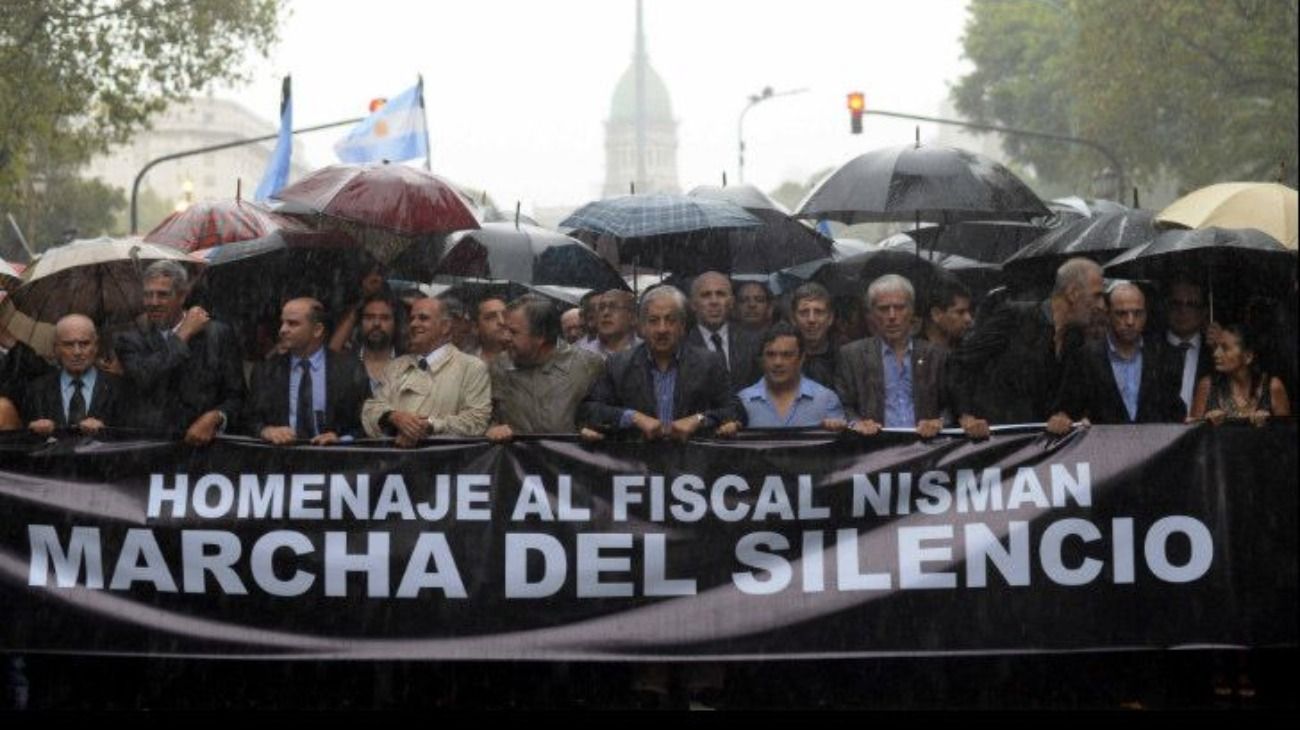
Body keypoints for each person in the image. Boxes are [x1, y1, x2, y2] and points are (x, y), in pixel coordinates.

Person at [949, 257, 1105, 438]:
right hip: (995, 442)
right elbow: (959, 362)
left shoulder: (1075, 340)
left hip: (1041, 447)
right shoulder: (1015, 317)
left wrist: (1065, 415)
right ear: (1073, 293)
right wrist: (966, 416)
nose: (1101, 306)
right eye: (1097, 296)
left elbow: (1069, 397)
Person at [578, 286, 744, 441]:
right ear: (642, 327)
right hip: (637, 459)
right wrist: (633, 417)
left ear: (682, 326)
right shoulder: (618, 364)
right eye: (653, 320)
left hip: (692, 459)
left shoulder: (709, 363)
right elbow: (588, 410)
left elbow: (736, 410)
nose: (662, 329)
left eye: (670, 320)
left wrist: (700, 419)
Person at [114, 260, 245, 444]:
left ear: (182, 296)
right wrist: (183, 334)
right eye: (148, 295)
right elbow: (144, 376)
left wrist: (216, 416)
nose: (153, 302)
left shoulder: (217, 334)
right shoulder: (129, 339)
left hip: (206, 449)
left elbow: (237, 396)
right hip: (151, 448)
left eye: (162, 295)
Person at [362, 296, 491, 445]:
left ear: (445, 327)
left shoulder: (471, 368)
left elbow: (477, 421)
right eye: (412, 319)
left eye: (423, 318)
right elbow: (371, 410)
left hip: (445, 459)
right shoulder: (395, 367)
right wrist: (393, 417)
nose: (414, 324)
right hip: (395, 457)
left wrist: (430, 425)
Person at [1054, 282, 1185, 426]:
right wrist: (1063, 420)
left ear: (1146, 315)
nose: (1130, 321)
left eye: (1137, 313)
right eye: (1121, 314)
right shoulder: (1084, 358)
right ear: (1108, 314)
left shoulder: (1165, 356)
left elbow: (1174, 412)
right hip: (1104, 439)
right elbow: (1067, 411)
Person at [244, 298, 371, 445]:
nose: (283, 330)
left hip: (335, 456)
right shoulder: (266, 371)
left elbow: (368, 422)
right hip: (281, 455)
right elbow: (249, 419)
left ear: (317, 330)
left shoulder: (349, 370)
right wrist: (266, 431)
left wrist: (341, 439)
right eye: (282, 323)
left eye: (292, 323)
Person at [834, 275, 948, 438]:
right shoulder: (851, 355)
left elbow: (951, 405)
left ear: (912, 310)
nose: (892, 316)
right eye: (883, 309)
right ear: (872, 314)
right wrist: (856, 423)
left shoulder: (936, 355)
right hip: (875, 447)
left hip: (926, 446)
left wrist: (939, 422)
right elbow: (843, 405)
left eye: (900, 307)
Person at [486, 295, 605, 442]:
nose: (505, 337)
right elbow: (487, 417)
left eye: (513, 332)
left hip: (569, 455)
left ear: (540, 335)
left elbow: (604, 416)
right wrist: (493, 428)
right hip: (516, 456)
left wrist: (593, 428)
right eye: (505, 330)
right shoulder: (499, 366)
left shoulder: (588, 366)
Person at [23, 314, 126, 436]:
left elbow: (132, 437)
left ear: (96, 346)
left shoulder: (121, 388)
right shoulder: (36, 390)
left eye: (84, 344)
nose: (77, 352)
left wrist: (106, 431)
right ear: (56, 348)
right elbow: (24, 441)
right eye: (68, 344)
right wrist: (33, 432)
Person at [738, 322, 846, 429]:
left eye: (787, 355)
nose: (778, 362)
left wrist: (835, 427)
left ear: (801, 359)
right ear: (762, 358)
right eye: (770, 354)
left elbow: (841, 437)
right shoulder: (743, 401)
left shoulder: (825, 400)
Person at [1188, 322, 1290, 427]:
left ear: (1248, 356)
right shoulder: (1207, 385)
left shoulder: (1272, 387)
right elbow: (1191, 432)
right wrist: (1206, 422)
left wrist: (1269, 424)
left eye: (1225, 348)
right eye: (1216, 347)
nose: (1216, 353)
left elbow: (1286, 433)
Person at [685, 271, 761, 391]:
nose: (714, 301)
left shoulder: (752, 343)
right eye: (706, 295)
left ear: (731, 302)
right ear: (693, 304)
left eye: (720, 294)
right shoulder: (682, 345)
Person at [1163, 279, 1214, 419]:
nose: (1182, 311)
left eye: (1191, 304)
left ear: (1204, 312)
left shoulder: (1213, 352)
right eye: (1176, 303)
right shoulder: (1150, 348)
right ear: (1166, 307)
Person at [789, 282, 838, 388]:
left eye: (819, 312)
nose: (811, 319)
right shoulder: (780, 356)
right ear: (793, 319)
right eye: (804, 312)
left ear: (830, 318)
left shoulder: (844, 358)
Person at [580, 289, 641, 358]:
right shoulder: (583, 353)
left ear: (632, 317)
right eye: (601, 308)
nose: (606, 313)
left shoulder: (645, 351)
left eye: (613, 307)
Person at [923, 276, 974, 350]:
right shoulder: (912, 350)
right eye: (960, 312)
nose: (968, 318)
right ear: (936, 314)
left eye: (968, 311)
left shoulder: (968, 348)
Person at [468, 295, 508, 362]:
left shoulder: (522, 358)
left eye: (505, 315)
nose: (502, 321)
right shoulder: (466, 362)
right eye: (491, 317)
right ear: (476, 327)